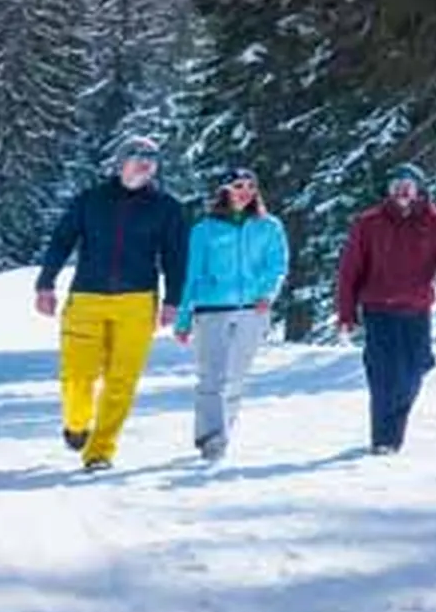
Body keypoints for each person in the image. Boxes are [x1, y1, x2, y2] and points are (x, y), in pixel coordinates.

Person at [34, 131, 189, 474]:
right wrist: (45, 283)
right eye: (137, 158)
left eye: (151, 161)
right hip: (87, 298)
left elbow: (176, 257)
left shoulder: (167, 208)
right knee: (77, 376)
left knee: (122, 382)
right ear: (120, 162)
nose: (145, 166)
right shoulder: (91, 200)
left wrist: (173, 301)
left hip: (137, 301)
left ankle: (100, 451)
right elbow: (61, 241)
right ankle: (76, 423)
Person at [333, 162, 436, 455]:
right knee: (383, 374)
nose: (402, 190)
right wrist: (346, 314)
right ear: (388, 190)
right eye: (396, 185)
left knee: (416, 368)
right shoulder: (368, 222)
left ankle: (392, 426)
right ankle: (385, 439)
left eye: (408, 185)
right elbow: (349, 270)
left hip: (416, 309)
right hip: (378, 309)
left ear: (419, 189)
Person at [176, 163, 290, 465]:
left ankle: (222, 431)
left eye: (251, 187)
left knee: (236, 377)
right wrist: (184, 318)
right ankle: (211, 438)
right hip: (211, 310)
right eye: (238, 187)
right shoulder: (204, 230)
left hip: (253, 311)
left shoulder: (270, 227)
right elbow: (192, 275)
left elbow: (277, 266)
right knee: (211, 377)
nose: (245, 193)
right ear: (224, 190)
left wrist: (267, 293)